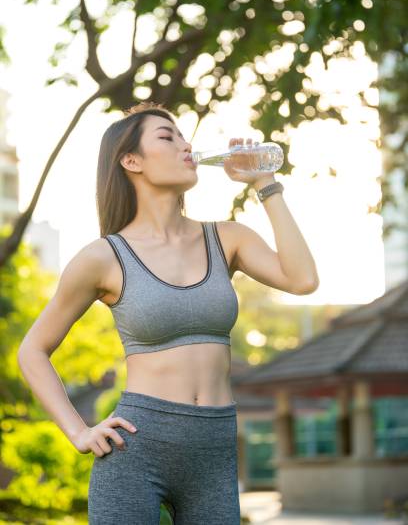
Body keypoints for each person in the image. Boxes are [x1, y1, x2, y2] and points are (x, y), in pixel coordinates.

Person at [17, 101, 319, 524]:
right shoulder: (103, 257)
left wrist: (265, 184)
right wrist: (79, 431)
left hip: (214, 453)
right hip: (136, 448)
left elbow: (302, 279)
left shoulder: (226, 238)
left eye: (183, 136)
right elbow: (32, 351)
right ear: (131, 160)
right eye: (167, 136)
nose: (185, 145)